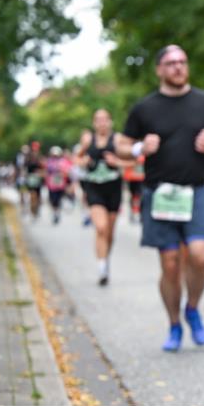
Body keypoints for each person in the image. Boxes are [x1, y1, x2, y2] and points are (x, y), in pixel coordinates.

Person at [115, 45, 204, 352]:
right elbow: (122, 145)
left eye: (183, 62)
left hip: (196, 191)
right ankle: (173, 324)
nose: (178, 68)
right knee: (169, 264)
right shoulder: (145, 108)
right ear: (159, 70)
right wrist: (141, 149)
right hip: (161, 193)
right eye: (171, 63)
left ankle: (192, 308)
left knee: (200, 255)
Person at [78, 109, 130, 286]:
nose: (101, 123)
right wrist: (83, 162)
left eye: (104, 120)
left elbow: (134, 161)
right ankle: (102, 268)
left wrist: (117, 162)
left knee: (110, 232)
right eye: (98, 120)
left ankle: (105, 259)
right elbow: (76, 159)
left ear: (110, 122)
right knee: (101, 228)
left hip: (113, 188)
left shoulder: (118, 139)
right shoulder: (87, 140)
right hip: (93, 187)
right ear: (94, 123)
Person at [44, 146, 70, 225]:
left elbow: (67, 172)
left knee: (58, 199)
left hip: (60, 184)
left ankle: (57, 212)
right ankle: (54, 212)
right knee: (52, 199)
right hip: (51, 184)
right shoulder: (49, 161)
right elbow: (46, 172)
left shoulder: (63, 161)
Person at [24, 141, 45, 219]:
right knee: (32, 193)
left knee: (38, 194)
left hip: (38, 177)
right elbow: (25, 167)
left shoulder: (40, 157)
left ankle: (37, 208)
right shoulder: (28, 157)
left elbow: (43, 167)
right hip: (30, 177)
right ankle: (32, 208)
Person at [123, 153, 146, 224]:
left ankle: (139, 213)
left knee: (141, 196)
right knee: (134, 196)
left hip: (142, 178)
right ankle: (134, 212)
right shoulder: (131, 150)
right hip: (132, 178)